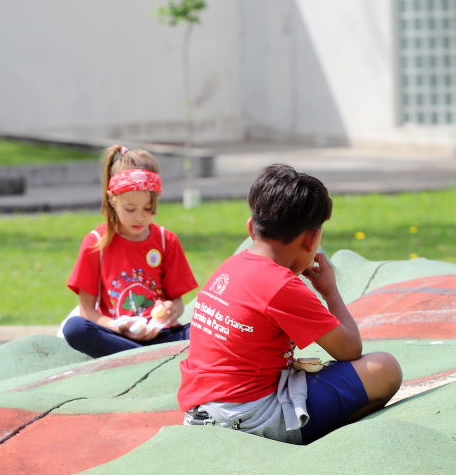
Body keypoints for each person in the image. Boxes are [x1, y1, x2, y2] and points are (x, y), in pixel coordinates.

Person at [178, 164, 402, 444]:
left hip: (201, 410)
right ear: (311, 240)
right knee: (384, 368)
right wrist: (330, 290)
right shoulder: (281, 284)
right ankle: (309, 440)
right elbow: (350, 348)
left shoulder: (231, 266)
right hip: (248, 417)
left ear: (251, 228)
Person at [63, 146, 198, 358]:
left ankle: (138, 358)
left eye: (148, 208)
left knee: (206, 330)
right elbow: (87, 312)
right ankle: (149, 358)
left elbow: (178, 304)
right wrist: (119, 328)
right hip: (118, 335)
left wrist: (171, 310)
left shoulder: (166, 240)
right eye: (130, 209)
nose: (140, 218)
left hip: (162, 333)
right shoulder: (95, 243)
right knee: (74, 328)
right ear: (111, 199)